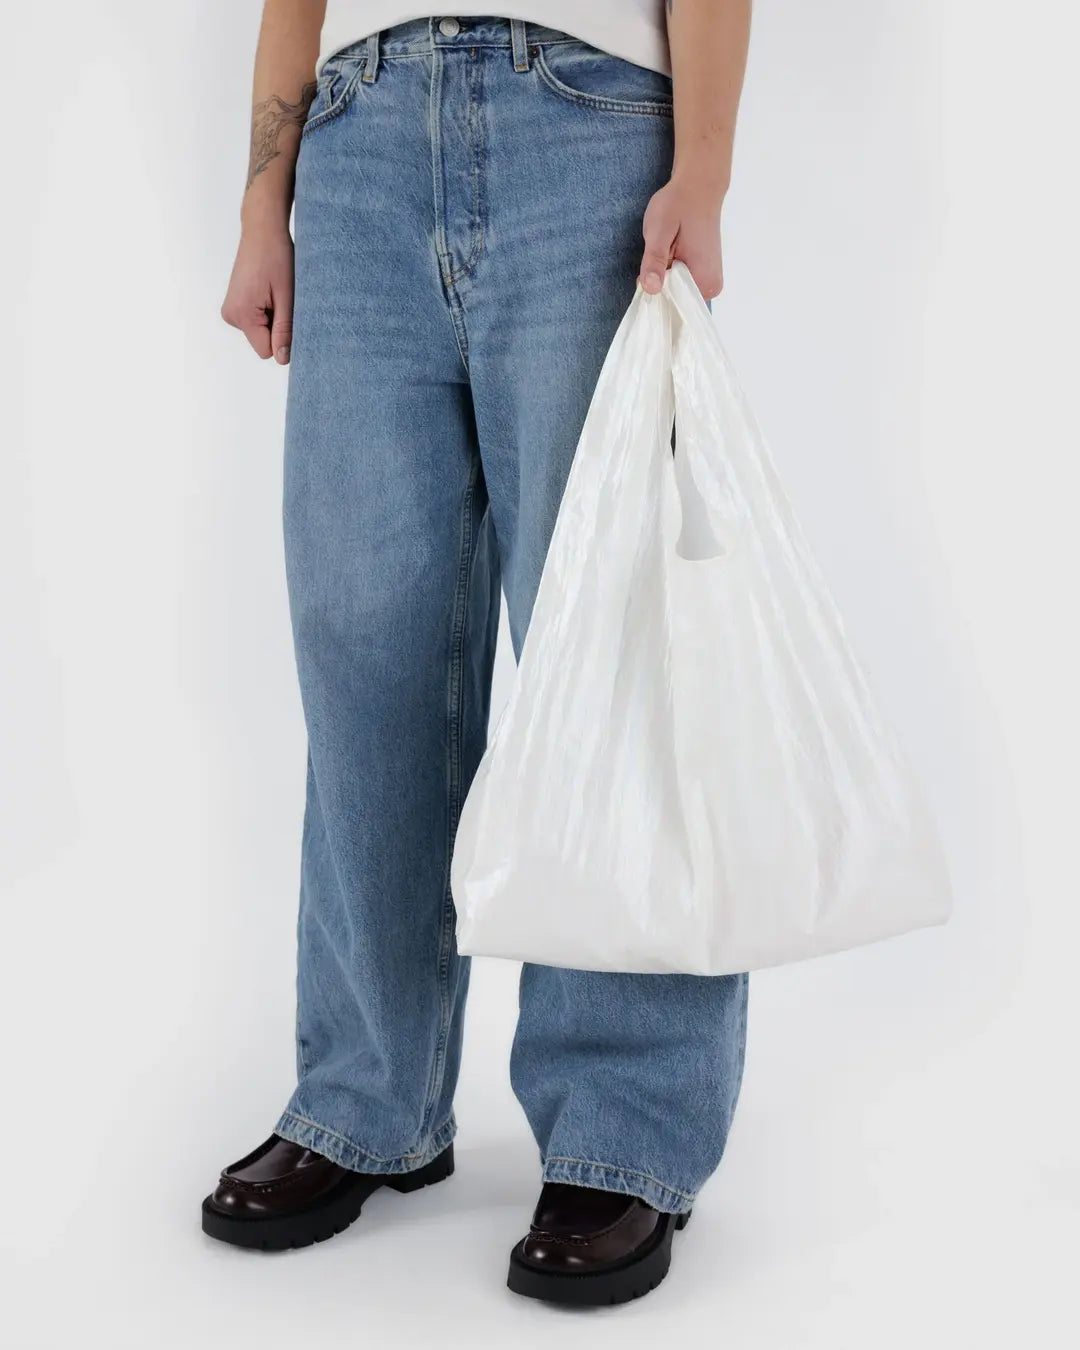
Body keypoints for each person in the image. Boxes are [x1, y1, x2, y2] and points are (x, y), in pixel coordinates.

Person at [205, 0, 752, 1306]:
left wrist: (705, 172)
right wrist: (262, 208)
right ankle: (366, 1096)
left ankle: (624, 1123)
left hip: (585, 122)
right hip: (357, 140)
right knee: (361, 648)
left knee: (607, 650)